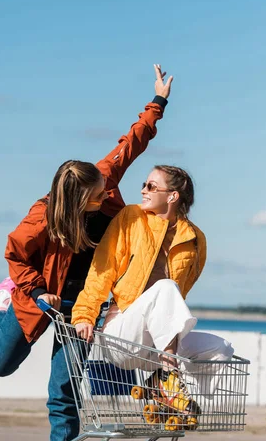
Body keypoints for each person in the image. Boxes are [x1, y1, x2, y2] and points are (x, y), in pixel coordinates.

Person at [0, 64, 173, 441]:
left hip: (82, 308)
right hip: (36, 299)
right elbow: (16, 255)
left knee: (64, 389)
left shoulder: (104, 179)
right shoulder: (40, 220)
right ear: (78, 200)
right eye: (99, 194)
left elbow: (131, 143)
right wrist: (34, 290)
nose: (108, 194)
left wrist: (157, 102)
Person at [71, 165, 234, 405]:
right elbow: (101, 270)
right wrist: (84, 314)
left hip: (154, 343)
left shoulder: (195, 238)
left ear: (172, 196)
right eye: (144, 185)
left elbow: (182, 292)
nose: (143, 191)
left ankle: (168, 394)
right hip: (122, 333)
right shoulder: (130, 218)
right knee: (166, 287)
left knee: (221, 349)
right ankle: (169, 378)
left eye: (151, 186)